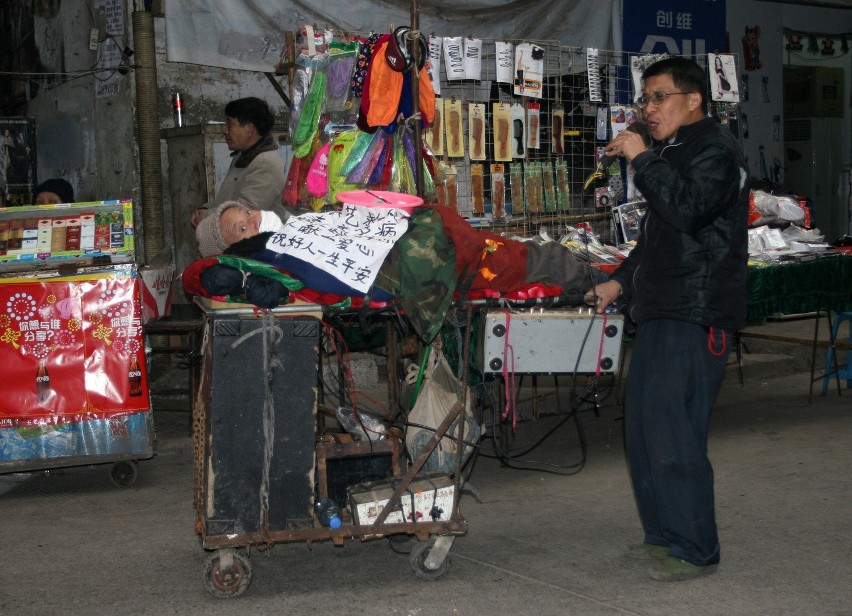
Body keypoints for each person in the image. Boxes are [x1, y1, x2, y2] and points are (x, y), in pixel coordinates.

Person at [587, 57, 749, 582]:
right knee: (646, 432)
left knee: (675, 436)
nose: (648, 110)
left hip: (695, 312)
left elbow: (688, 209)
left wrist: (641, 159)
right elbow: (661, 232)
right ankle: (663, 536)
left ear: (694, 99)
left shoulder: (714, 150)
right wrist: (621, 278)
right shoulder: (675, 151)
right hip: (659, 307)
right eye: (646, 100)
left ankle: (695, 548)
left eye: (659, 98)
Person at [189, 97, 288, 230]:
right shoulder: (243, 156)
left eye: (230, 125)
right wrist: (205, 209)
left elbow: (245, 212)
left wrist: (207, 215)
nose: (225, 130)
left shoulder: (265, 163)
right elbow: (227, 199)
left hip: (257, 245)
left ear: (250, 130)